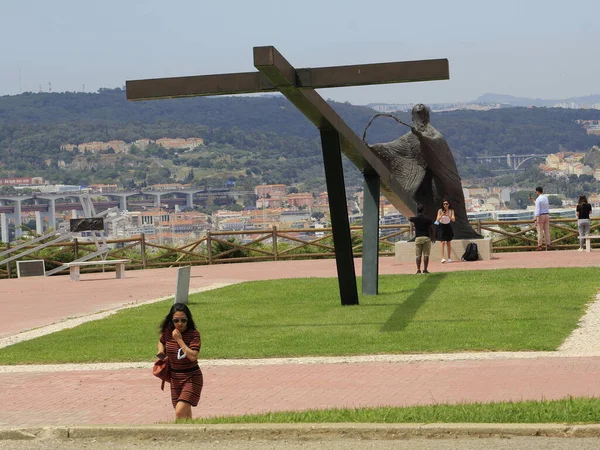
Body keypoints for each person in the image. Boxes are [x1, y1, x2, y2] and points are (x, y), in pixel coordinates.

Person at [156, 303, 203, 420]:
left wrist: (180, 340)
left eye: (183, 320)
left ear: (188, 320)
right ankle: (190, 435)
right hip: (175, 378)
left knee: (179, 412)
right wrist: (161, 351)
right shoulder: (168, 332)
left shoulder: (194, 334)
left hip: (192, 377)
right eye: (176, 320)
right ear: (171, 320)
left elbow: (193, 356)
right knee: (184, 415)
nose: (180, 323)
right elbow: (161, 340)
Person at [408, 204, 436, 273]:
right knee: (426, 255)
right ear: (423, 210)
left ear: (417, 211)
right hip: (426, 237)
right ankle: (425, 269)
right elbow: (432, 228)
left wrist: (411, 230)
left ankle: (418, 269)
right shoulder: (428, 219)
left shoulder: (415, 219)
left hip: (418, 238)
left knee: (418, 255)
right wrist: (433, 237)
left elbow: (409, 218)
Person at [530, 186, 551, 251]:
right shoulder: (545, 198)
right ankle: (548, 244)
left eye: (536, 191)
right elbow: (539, 205)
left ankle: (540, 245)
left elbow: (537, 209)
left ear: (537, 191)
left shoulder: (539, 199)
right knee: (547, 231)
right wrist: (533, 200)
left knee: (540, 231)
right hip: (547, 215)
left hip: (541, 216)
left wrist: (536, 218)